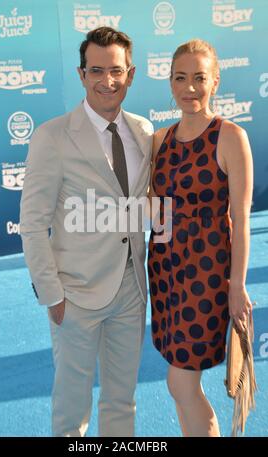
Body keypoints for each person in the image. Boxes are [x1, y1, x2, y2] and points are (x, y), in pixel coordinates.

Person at [20, 27, 153, 437]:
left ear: (130, 74)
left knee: (121, 400)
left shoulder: (145, 132)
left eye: (116, 71)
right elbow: (32, 222)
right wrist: (52, 294)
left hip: (131, 289)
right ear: (81, 75)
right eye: (96, 70)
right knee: (71, 411)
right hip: (75, 296)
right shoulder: (53, 137)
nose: (107, 81)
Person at [148, 39, 253, 437]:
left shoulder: (229, 137)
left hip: (206, 274)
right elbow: (149, 208)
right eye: (180, 78)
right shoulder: (160, 140)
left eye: (199, 78)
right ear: (170, 82)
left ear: (215, 82)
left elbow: (240, 220)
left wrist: (237, 285)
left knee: (180, 382)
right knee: (181, 384)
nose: (189, 88)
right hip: (164, 270)